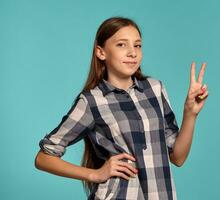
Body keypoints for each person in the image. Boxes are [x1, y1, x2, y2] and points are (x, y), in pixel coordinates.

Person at [34, 16, 209, 200]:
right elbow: (43, 158)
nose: (132, 53)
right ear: (101, 52)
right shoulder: (92, 101)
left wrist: (190, 113)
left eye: (138, 45)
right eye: (121, 45)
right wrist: (94, 174)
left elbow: (178, 158)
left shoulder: (155, 89)